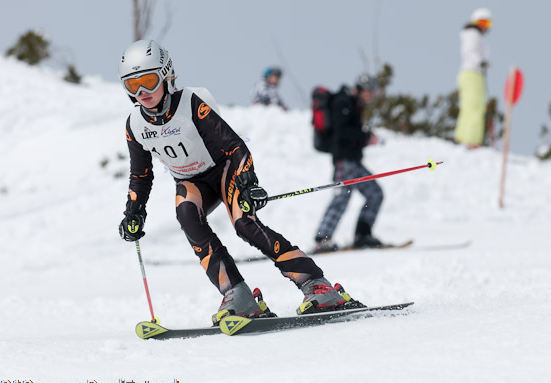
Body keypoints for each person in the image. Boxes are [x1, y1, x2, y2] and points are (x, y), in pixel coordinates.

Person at [117, 40, 365, 323]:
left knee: (245, 225)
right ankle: (239, 295)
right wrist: (134, 212)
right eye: (132, 85)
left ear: (166, 74)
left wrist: (247, 181)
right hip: (191, 182)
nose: (142, 92)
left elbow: (235, 146)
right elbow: (140, 175)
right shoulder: (135, 125)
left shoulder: (190, 103)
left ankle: (317, 285)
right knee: (187, 216)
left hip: (224, 170)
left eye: (149, 81)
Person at [314, 73, 384, 253]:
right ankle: (323, 239)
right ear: (362, 89)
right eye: (369, 92)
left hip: (354, 161)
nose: (370, 97)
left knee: (374, 193)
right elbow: (342, 131)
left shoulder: (353, 104)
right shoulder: (343, 102)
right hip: (344, 161)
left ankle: (363, 234)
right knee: (341, 198)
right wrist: (366, 136)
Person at [454, 7, 492, 147]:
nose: (485, 26)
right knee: (475, 107)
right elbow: (470, 51)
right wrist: (480, 62)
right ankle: (472, 140)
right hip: (473, 73)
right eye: (482, 22)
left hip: (471, 73)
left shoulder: (473, 35)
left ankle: (463, 137)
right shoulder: (472, 34)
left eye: (487, 24)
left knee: (469, 106)